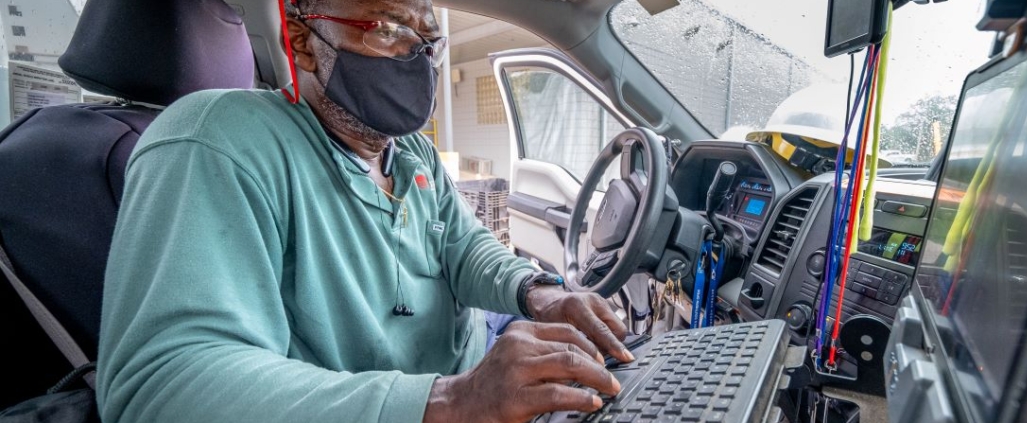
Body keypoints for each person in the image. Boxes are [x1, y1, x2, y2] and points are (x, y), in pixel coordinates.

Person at [95, 0, 633, 421]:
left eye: (428, 40)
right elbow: (164, 383)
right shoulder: (216, 141)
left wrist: (537, 292)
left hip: (478, 363)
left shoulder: (412, 150)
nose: (417, 56)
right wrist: (453, 400)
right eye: (389, 29)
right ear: (303, 42)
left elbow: (463, 245)